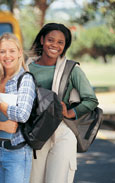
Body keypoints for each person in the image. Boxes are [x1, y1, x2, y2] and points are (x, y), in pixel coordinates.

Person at [28, 23, 99, 183]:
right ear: (42, 40)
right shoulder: (27, 67)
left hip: (62, 131)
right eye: (50, 40)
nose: (55, 45)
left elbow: (91, 99)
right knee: (33, 180)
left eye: (60, 42)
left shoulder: (71, 69)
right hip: (36, 133)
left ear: (65, 45)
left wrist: (70, 112)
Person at [0, 33, 36, 183]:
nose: (7, 55)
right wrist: (0, 125)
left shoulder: (25, 79)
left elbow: (22, 115)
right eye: (2, 51)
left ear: (20, 53)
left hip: (16, 153)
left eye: (12, 51)